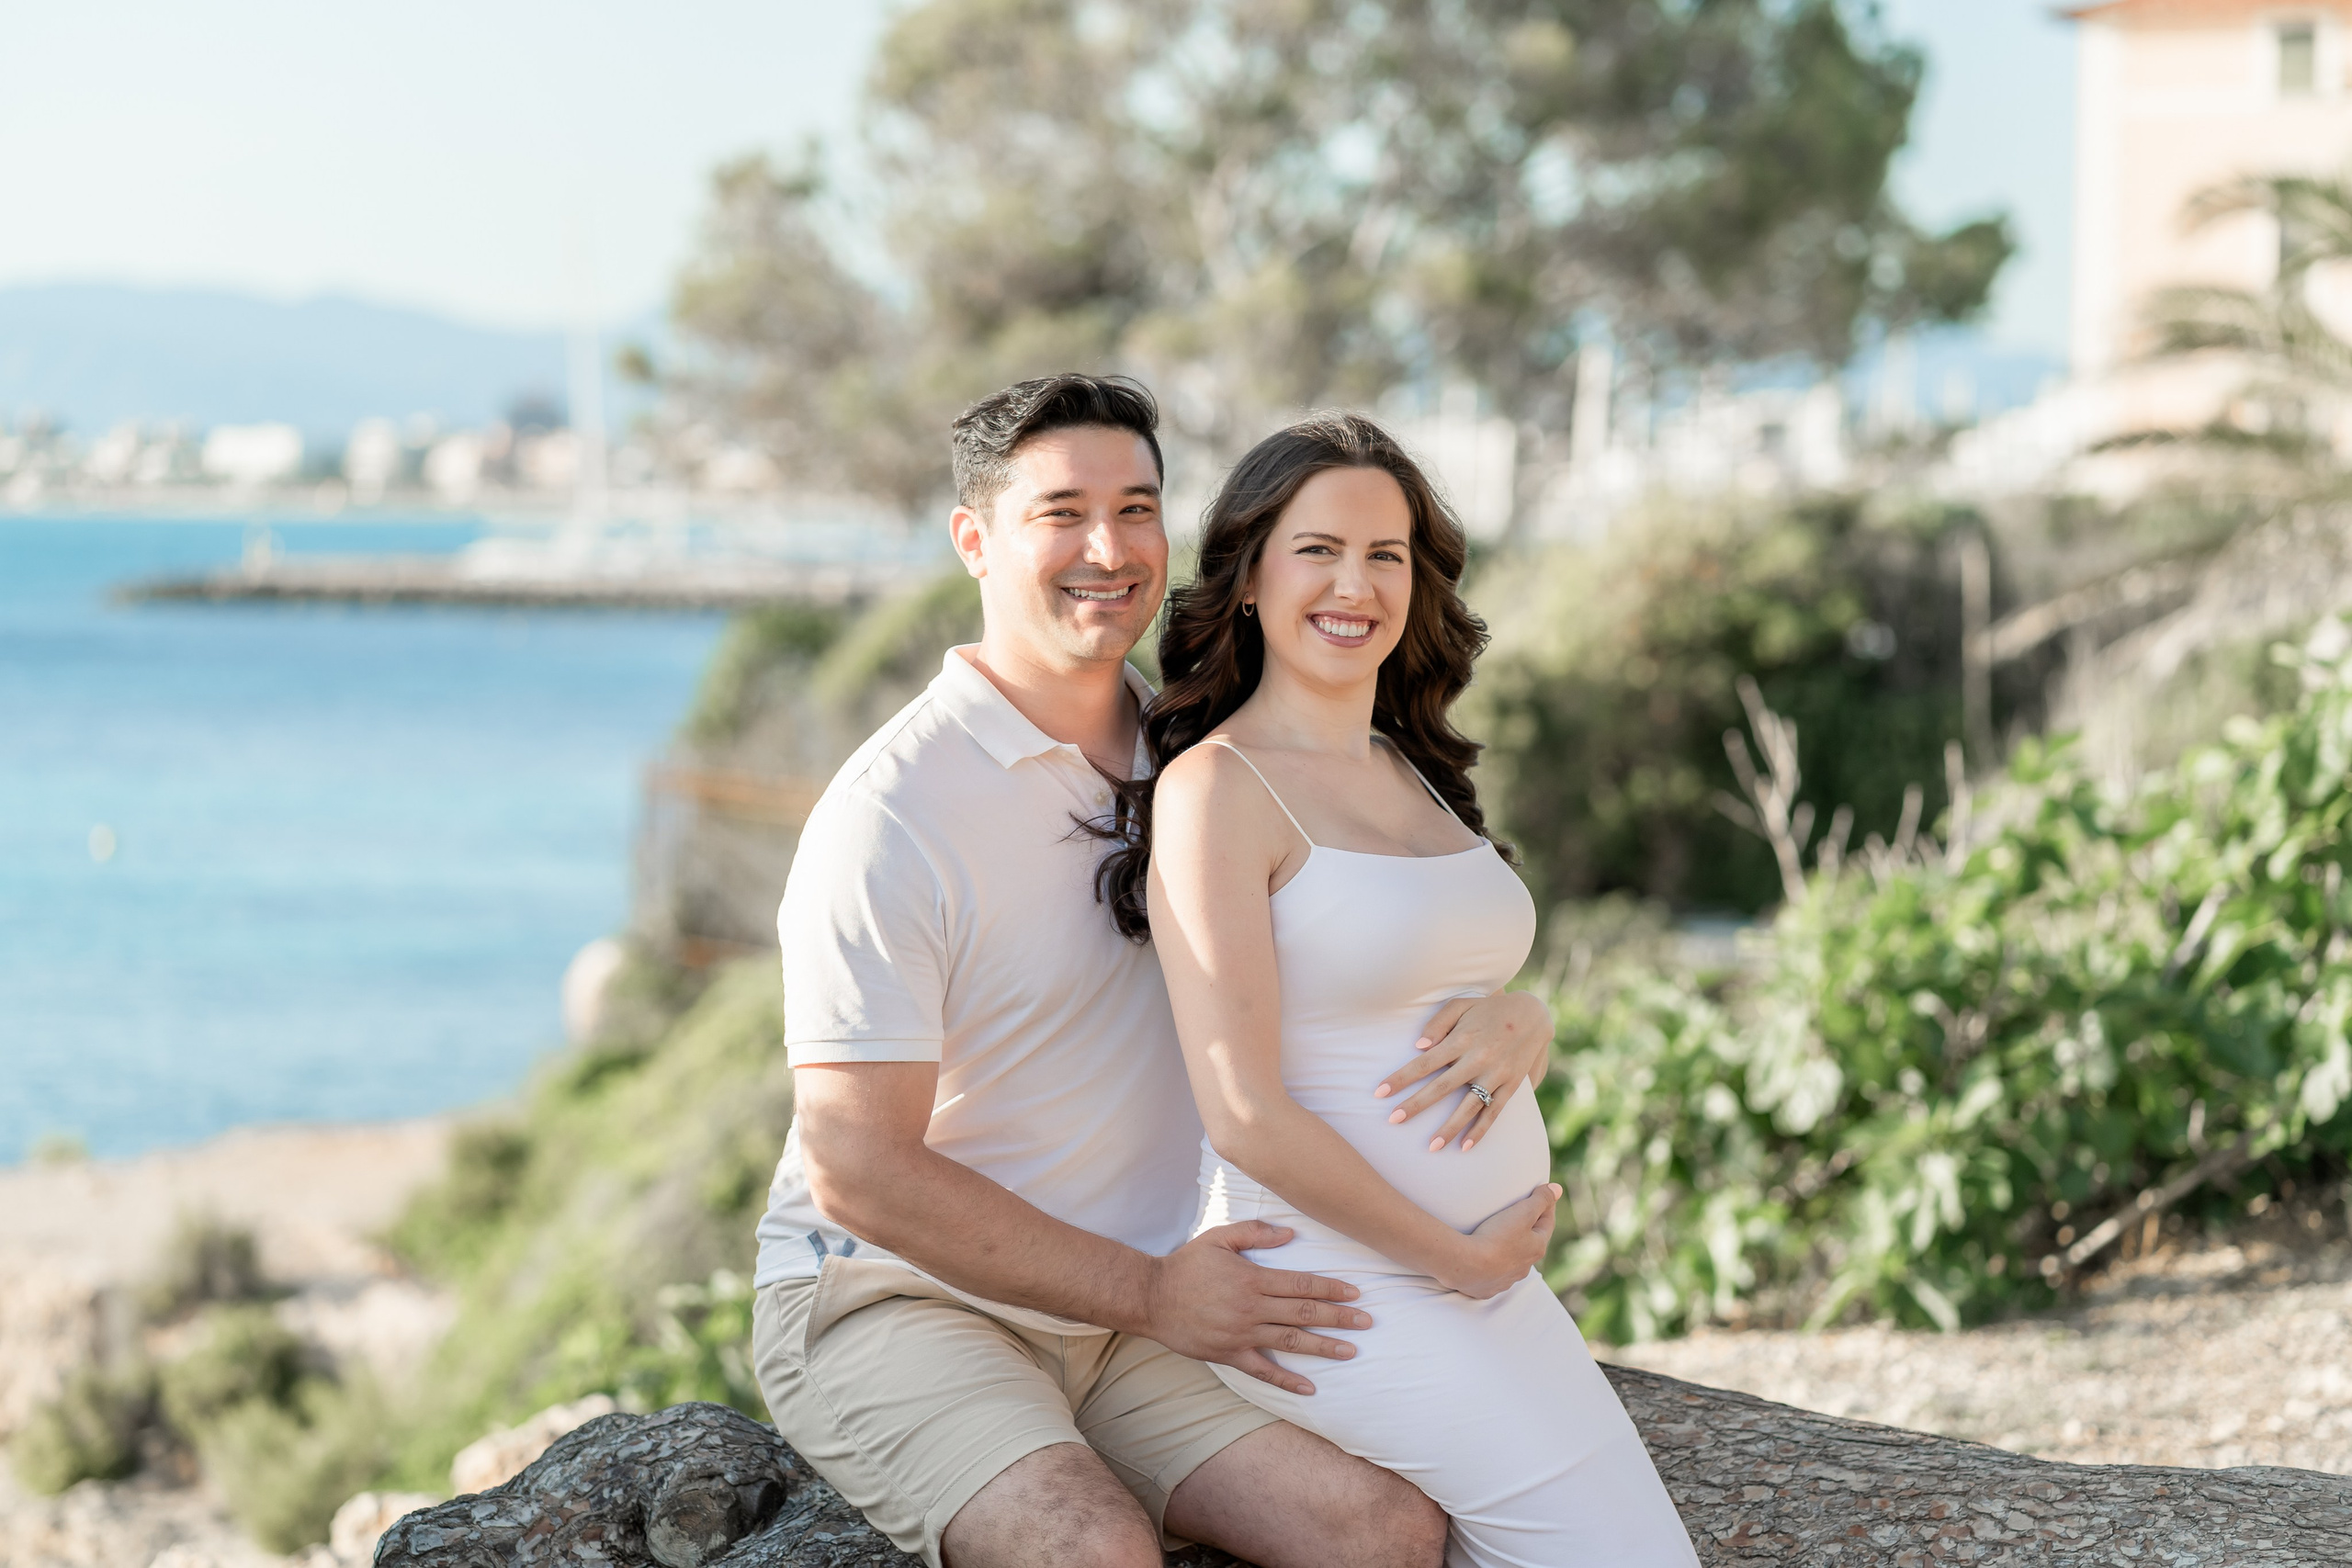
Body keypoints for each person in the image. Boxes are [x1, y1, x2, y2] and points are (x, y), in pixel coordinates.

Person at [749, 375, 1555, 1568]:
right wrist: (1153, 1292)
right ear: (974, 538)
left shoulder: (1201, 751)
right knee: (1092, 1547)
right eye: (1062, 512)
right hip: (899, 1301)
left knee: (1383, 1531)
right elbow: (857, 1162)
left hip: (1143, 1303)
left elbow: (1354, 942)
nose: (1109, 548)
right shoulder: (893, 813)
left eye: (1138, 507)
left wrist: (1510, 1012)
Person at [1097, 412, 1700, 1568]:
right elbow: (1242, 1112)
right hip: (1339, 1291)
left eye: (1386, 555)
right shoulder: (1218, 789)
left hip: (1474, 1286)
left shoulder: (1404, 765)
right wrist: (1448, 1255)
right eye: (1318, 549)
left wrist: (1532, 1017)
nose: (1354, 584)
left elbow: (1441, 970)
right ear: (1251, 574)